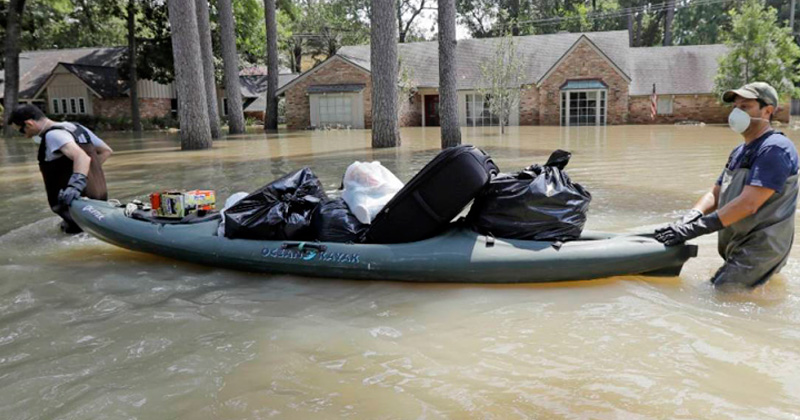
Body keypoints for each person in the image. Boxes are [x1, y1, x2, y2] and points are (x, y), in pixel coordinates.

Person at [655, 82, 799, 289]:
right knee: (731, 292)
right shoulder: (740, 151)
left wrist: (694, 229)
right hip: (738, 241)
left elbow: (749, 204)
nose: (736, 113)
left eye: (745, 107)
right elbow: (716, 193)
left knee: (718, 295)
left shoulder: (775, 149)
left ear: (767, 111)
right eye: (735, 107)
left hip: (760, 247)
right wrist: (690, 217)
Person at [9, 105, 113, 233]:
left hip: (77, 207)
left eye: (21, 131)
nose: (25, 136)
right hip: (99, 202)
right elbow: (105, 151)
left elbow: (81, 157)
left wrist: (75, 186)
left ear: (29, 124)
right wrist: (89, 173)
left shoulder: (53, 135)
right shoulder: (76, 128)